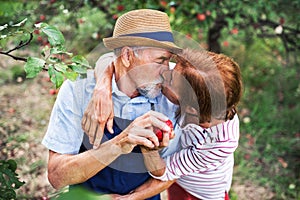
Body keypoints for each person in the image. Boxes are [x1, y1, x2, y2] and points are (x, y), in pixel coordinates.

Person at [42, 9, 182, 199]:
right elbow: (57, 176)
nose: (166, 71)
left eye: (169, 60)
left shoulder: (173, 90)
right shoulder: (78, 90)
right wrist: (120, 143)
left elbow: (174, 169)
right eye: (160, 60)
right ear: (127, 56)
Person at [117, 49, 243, 200]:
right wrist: (102, 88)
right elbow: (116, 62)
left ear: (189, 108)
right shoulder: (189, 81)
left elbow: (163, 171)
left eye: (170, 81)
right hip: (180, 180)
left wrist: (147, 145)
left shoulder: (218, 143)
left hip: (201, 193)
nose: (165, 73)